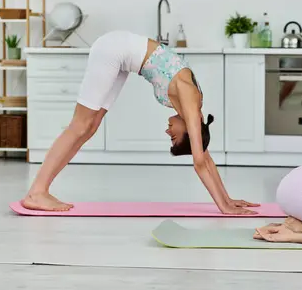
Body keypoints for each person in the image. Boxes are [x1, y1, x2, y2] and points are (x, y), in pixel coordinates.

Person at [21, 30, 259, 215]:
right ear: (190, 129)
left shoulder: (193, 112)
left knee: (90, 127)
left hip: (122, 59)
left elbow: (203, 153)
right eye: (174, 135)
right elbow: (199, 160)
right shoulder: (190, 98)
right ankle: (37, 192)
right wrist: (223, 207)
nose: (168, 130)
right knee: (80, 125)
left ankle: (40, 190)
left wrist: (228, 199)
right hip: (114, 49)